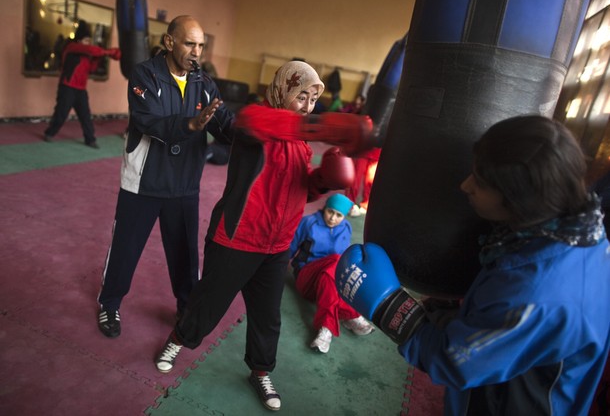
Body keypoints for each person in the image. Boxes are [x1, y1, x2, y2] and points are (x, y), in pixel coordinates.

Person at [337, 115, 610, 415]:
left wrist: (389, 306)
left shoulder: (534, 296)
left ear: (517, 198)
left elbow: (454, 361)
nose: (465, 185)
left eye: (480, 181)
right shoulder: (576, 233)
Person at [154, 60, 372, 411]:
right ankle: (178, 340)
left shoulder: (301, 143)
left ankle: (260, 370)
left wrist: (325, 180)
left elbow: (301, 190)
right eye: (301, 96)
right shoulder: (256, 119)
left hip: (278, 245)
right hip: (238, 238)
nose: (307, 106)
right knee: (208, 305)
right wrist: (327, 125)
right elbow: (252, 123)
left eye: (313, 100)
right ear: (284, 89)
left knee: (267, 317)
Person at [96, 15, 234, 339]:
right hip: (144, 180)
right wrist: (190, 124)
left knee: (186, 255)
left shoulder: (203, 81)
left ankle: (186, 307)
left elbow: (223, 123)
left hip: (184, 183)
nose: (196, 52)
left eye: (201, 45)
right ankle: (109, 303)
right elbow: (148, 121)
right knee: (125, 250)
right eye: (190, 44)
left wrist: (255, 131)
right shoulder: (145, 74)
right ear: (170, 42)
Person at [289, 193, 374, 354]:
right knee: (336, 260)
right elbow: (290, 247)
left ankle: (326, 328)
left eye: (339, 215)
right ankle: (349, 314)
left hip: (326, 286)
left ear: (344, 216)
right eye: (330, 212)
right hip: (306, 278)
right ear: (325, 208)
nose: (333, 218)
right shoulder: (309, 222)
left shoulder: (346, 228)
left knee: (335, 269)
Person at [43, 20, 121, 148]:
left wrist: (98, 58)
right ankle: (49, 133)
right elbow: (92, 50)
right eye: (86, 40)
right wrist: (110, 52)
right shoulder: (71, 47)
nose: (88, 42)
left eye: (89, 40)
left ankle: (90, 140)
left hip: (80, 90)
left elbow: (91, 69)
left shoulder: (87, 55)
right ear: (79, 40)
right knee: (61, 113)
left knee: (85, 116)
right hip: (67, 87)